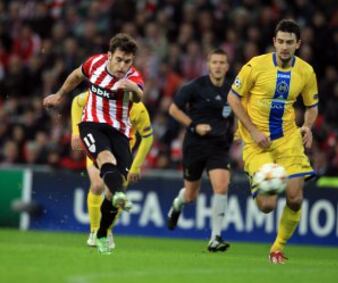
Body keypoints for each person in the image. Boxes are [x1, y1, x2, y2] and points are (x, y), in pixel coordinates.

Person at [43, 33, 144, 254]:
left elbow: (138, 98)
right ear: (109, 55)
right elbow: (76, 76)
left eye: (127, 61)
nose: (122, 65)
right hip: (92, 125)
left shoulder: (134, 77)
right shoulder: (95, 64)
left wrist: (133, 89)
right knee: (104, 160)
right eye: (118, 59)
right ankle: (109, 208)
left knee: (115, 185)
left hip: (120, 132)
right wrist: (60, 95)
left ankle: (101, 233)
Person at [228, 19, 319, 264]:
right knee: (267, 206)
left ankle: (277, 248)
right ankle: (256, 179)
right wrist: (254, 131)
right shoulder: (255, 66)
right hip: (257, 141)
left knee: (295, 197)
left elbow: (312, 106)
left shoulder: (306, 72)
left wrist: (308, 126)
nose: (284, 47)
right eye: (280, 42)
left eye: (290, 42)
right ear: (274, 42)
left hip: (288, 138)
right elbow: (233, 98)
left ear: (298, 44)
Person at [167, 49, 234, 252]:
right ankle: (178, 204)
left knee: (221, 187)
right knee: (190, 196)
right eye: (214, 62)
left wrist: (238, 134)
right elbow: (173, 109)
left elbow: (238, 113)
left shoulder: (232, 91)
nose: (218, 66)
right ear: (208, 65)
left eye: (222, 62)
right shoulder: (195, 86)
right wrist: (194, 126)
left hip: (219, 146)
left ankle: (215, 237)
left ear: (227, 66)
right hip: (195, 145)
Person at [71, 91, 153, 249]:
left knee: (114, 193)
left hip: (122, 152)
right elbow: (76, 102)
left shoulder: (139, 109)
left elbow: (148, 137)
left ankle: (106, 230)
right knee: (97, 185)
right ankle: (94, 231)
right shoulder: (102, 94)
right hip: (98, 144)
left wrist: (136, 166)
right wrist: (76, 132)